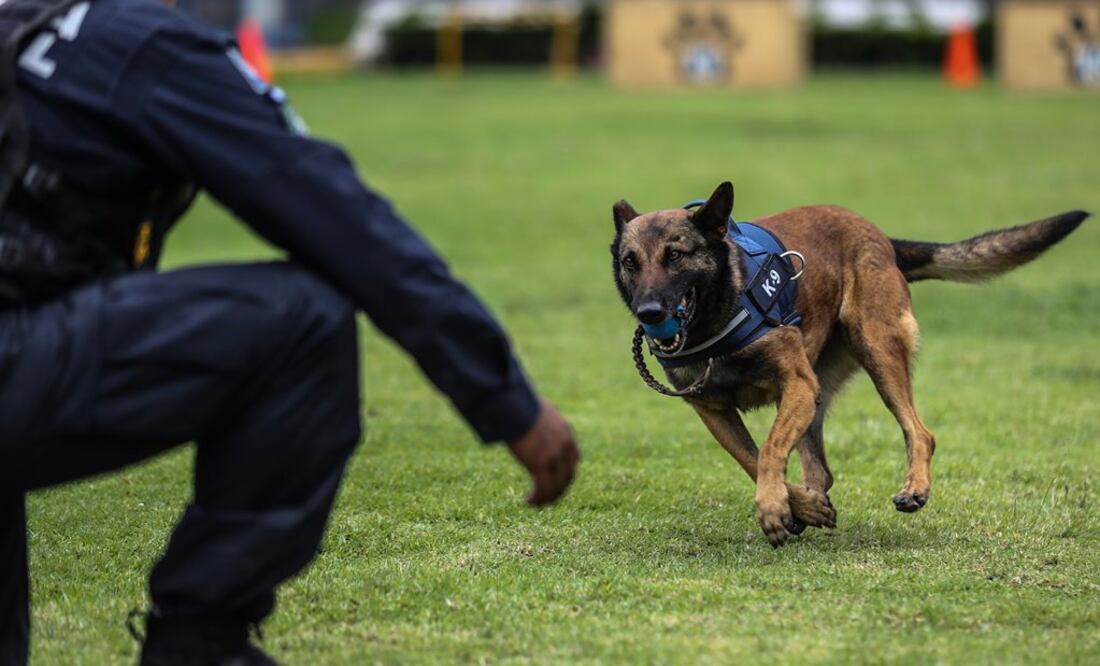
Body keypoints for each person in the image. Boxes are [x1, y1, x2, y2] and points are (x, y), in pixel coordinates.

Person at [0, 1, 581, 664]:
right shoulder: (147, 44)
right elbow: (336, 214)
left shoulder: (27, 30)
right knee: (301, 320)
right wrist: (503, 396)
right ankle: (200, 645)